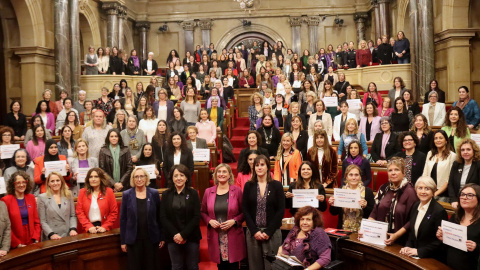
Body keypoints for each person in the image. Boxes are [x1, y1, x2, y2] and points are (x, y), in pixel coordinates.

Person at [243, 155, 285, 270]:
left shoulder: (276, 185)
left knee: (272, 267)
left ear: (268, 167)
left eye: (262, 165)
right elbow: (245, 209)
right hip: (253, 233)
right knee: (255, 266)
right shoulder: (248, 185)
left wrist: (268, 231)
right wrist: (254, 231)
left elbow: (281, 210)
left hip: (272, 233)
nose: (259, 168)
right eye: (257, 165)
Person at [201, 164, 246, 269]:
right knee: (220, 266)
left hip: (233, 234)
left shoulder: (237, 191)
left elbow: (244, 212)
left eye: (224, 172)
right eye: (219, 172)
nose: (221, 174)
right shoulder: (208, 192)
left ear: (230, 175)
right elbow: (202, 212)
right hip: (216, 235)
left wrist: (234, 221)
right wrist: (209, 221)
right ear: (215, 175)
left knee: (233, 266)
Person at [120, 167, 164, 270]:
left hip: (151, 238)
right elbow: (123, 219)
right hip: (133, 240)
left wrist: (162, 236)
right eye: (136, 177)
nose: (139, 179)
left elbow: (159, 216)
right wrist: (123, 241)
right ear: (133, 179)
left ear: (146, 178)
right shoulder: (127, 195)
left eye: (141, 176)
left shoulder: (154, 193)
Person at [368, 157, 418, 245]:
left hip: (400, 241)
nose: (393, 173)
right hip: (379, 238)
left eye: (396, 170)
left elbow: (412, 220)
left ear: (403, 173)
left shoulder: (410, 192)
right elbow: (374, 212)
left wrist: (396, 235)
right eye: (390, 170)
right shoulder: (383, 188)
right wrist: (366, 229)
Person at [160, 164, 202, 270]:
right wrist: (176, 235)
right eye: (176, 175)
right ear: (172, 178)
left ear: (187, 178)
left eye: (182, 175)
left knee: (192, 266)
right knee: (176, 266)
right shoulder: (166, 194)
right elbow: (163, 217)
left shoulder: (193, 193)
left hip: (191, 236)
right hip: (173, 237)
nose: (179, 178)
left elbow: (197, 216)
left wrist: (183, 235)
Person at [399, 176, 448, 259]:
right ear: (416, 190)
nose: (423, 192)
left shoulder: (439, 211)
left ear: (433, 191)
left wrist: (419, 251)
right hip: (414, 254)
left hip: (431, 257)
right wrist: (407, 246)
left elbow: (440, 241)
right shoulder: (415, 206)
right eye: (420, 188)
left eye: (427, 189)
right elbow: (411, 233)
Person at [436, 184, 480, 270]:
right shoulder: (455, 217)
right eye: (462, 194)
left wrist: (476, 247)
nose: (464, 197)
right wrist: (443, 237)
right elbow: (447, 246)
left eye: (470, 195)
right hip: (448, 265)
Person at [329, 164, 375, 232]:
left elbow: (373, 213)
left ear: (360, 177)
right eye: (351, 175)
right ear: (346, 177)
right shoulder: (341, 190)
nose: (354, 177)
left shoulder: (367, 191)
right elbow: (334, 212)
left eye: (356, 175)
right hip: (343, 230)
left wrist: (365, 207)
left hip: (362, 232)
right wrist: (332, 205)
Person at [1, 171, 41, 248]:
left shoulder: (31, 197)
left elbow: (36, 222)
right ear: (13, 184)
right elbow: (6, 226)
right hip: (16, 242)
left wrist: (36, 238)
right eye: (18, 183)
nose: (21, 185)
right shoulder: (5, 200)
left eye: (24, 182)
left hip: (32, 240)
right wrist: (17, 244)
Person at [76, 168, 118, 233]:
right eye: (91, 177)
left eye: (96, 177)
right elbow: (79, 212)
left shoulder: (109, 191)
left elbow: (113, 212)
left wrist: (105, 226)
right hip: (87, 229)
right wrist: (88, 226)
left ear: (101, 178)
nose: (93, 179)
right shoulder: (82, 192)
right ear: (88, 179)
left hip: (105, 228)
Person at [37, 172, 77, 240]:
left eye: (57, 180)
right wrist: (51, 234)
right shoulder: (42, 197)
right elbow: (42, 221)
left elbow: (72, 216)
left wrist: (73, 229)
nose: (55, 183)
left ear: (61, 182)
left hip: (68, 234)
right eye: (52, 181)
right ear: (48, 183)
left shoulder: (68, 195)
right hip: (51, 237)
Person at [422, 130, 456, 202]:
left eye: (441, 138)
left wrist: (435, 194)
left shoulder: (452, 156)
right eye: (436, 138)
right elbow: (425, 174)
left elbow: (449, 179)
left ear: (446, 140)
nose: (438, 140)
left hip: (443, 194)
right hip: (429, 191)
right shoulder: (430, 153)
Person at [448, 139, 480, 209]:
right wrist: (453, 200)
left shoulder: (478, 164)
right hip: (457, 201)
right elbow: (450, 183)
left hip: (473, 202)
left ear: (474, 151)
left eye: (468, 149)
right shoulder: (456, 164)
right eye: (463, 150)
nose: (465, 152)